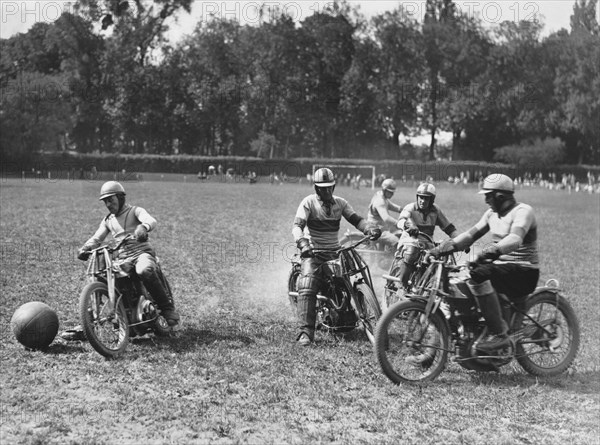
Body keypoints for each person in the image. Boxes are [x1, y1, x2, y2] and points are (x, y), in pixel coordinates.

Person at [428, 173, 539, 354]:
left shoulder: (523, 211)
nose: (486, 199)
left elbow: (515, 239)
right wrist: (444, 247)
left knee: (477, 276)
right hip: (502, 267)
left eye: (488, 195)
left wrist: (492, 251)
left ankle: (499, 335)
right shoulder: (491, 214)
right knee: (461, 276)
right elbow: (470, 236)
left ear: (500, 196)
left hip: (524, 270)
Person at [61, 181, 180, 341]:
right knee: (98, 278)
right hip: (122, 258)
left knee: (144, 270)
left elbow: (150, 220)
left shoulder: (134, 211)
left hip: (141, 253)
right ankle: (88, 323)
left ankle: (167, 309)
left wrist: (143, 227)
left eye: (111, 199)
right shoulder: (108, 220)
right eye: (106, 201)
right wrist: (85, 248)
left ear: (121, 197)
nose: (108, 204)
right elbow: (97, 237)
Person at [292, 167, 381, 346]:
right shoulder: (308, 202)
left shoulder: (341, 203)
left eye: (329, 187)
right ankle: (306, 332)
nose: (325, 191)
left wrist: (369, 228)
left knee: (354, 273)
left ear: (334, 187)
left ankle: (372, 318)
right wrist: (303, 244)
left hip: (335, 251)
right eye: (321, 188)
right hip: (313, 251)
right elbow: (297, 226)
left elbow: (357, 220)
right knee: (308, 283)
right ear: (316, 188)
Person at [391, 182, 458, 292]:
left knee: (443, 257)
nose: (423, 201)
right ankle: (403, 285)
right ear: (417, 197)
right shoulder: (411, 207)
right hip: (409, 241)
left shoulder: (436, 211)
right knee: (412, 249)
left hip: (427, 243)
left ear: (432, 200)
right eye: (421, 197)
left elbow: (449, 227)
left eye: (426, 199)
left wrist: (459, 241)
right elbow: (401, 220)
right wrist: (408, 225)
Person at [366, 179, 403, 250]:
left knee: (397, 233)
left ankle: (383, 258)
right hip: (378, 230)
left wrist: (402, 209)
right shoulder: (380, 201)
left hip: (380, 228)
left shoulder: (382, 196)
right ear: (384, 190)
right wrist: (399, 223)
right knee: (398, 243)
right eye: (390, 192)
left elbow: (390, 205)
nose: (392, 194)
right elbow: (386, 218)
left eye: (393, 192)